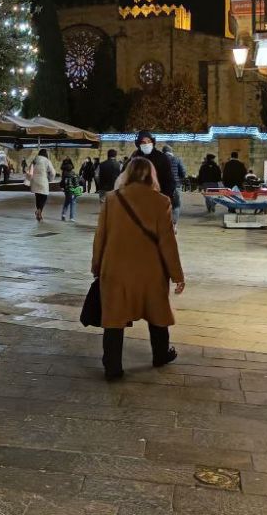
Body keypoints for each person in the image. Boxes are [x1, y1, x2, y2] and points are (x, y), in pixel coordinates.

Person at [91, 158, 186, 380]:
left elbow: (100, 237)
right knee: (157, 313)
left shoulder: (112, 200)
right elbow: (167, 243)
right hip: (150, 271)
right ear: (152, 175)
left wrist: (97, 266)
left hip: (115, 269)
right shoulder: (161, 201)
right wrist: (177, 275)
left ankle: (113, 367)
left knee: (114, 319)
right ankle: (161, 354)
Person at [28, 148, 57, 221]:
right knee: (44, 197)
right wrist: (50, 179)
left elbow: (30, 169)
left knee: (38, 197)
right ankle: (39, 211)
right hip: (43, 180)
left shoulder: (35, 160)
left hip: (34, 181)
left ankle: (39, 213)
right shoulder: (47, 161)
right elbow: (53, 172)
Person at [162, 146, 187, 225]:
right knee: (176, 205)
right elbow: (183, 172)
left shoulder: (160, 160)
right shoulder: (177, 159)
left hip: (163, 186)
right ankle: (173, 224)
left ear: (163, 151)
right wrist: (179, 178)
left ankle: (164, 222)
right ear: (171, 151)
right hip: (175, 185)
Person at [60, 158, 80, 222]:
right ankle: (71, 217)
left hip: (67, 190)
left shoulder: (64, 174)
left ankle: (63, 214)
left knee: (67, 202)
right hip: (73, 190)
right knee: (72, 203)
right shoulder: (74, 174)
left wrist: (62, 188)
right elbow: (76, 183)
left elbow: (62, 183)